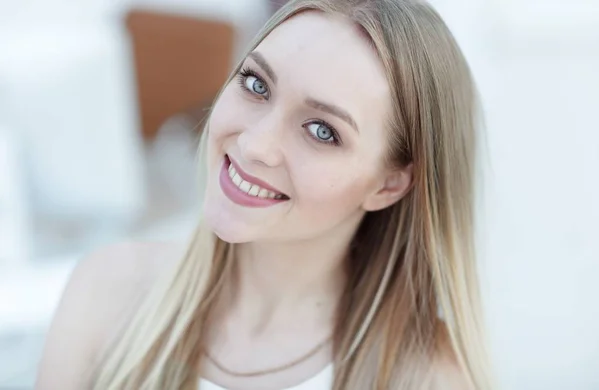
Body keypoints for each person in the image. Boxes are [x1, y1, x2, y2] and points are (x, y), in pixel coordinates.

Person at [36, 0, 491, 389]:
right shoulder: (107, 289)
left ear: (388, 184)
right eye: (257, 85)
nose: (254, 144)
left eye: (321, 131)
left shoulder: (427, 377)